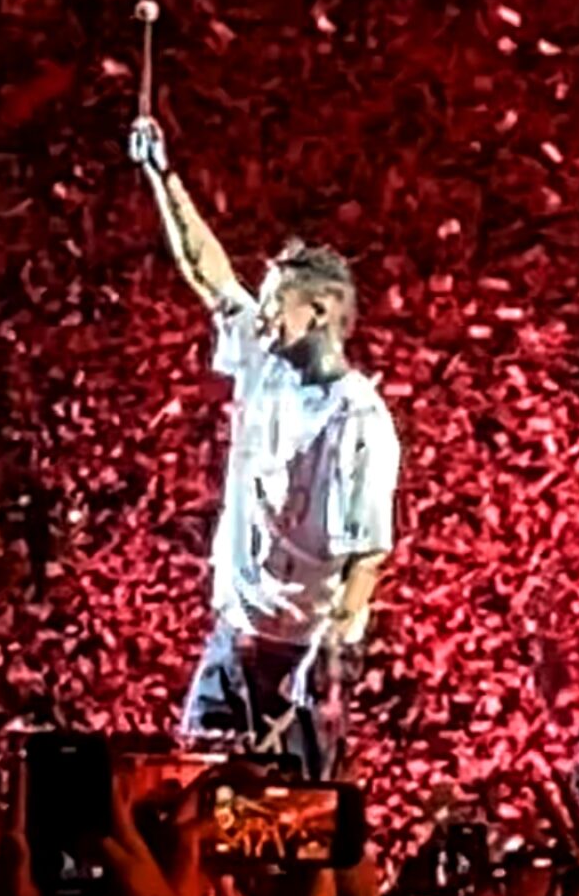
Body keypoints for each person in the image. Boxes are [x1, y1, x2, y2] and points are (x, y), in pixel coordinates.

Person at [129, 110, 400, 779]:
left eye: (279, 300)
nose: (265, 311)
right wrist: (162, 177)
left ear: (321, 313)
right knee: (192, 801)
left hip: (298, 656)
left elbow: (366, 558)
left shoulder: (357, 418)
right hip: (232, 639)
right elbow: (208, 272)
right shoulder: (262, 357)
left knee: (288, 829)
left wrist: (324, 659)